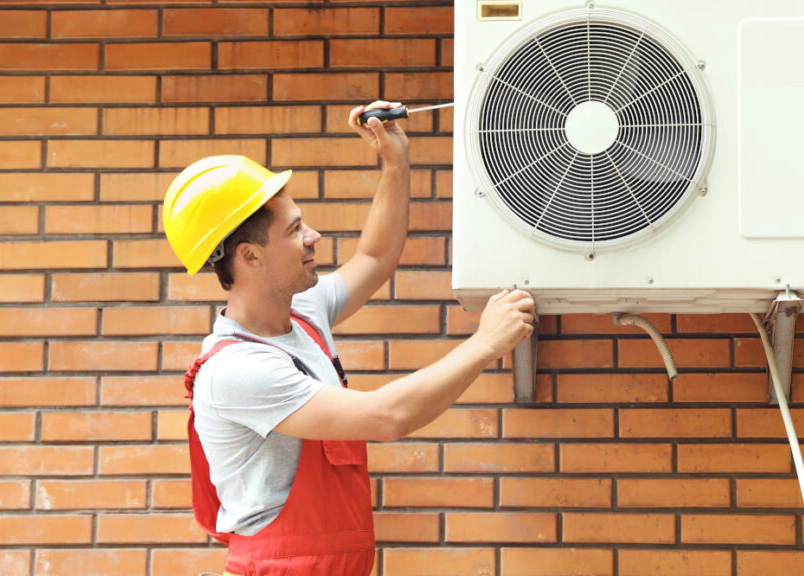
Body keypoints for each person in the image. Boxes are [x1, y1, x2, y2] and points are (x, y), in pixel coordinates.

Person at [161, 101, 536, 576]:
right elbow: (386, 417)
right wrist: (485, 344)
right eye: (296, 229)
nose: (313, 235)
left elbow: (375, 257)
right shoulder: (238, 371)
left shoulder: (303, 311)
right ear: (250, 256)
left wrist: (395, 162)